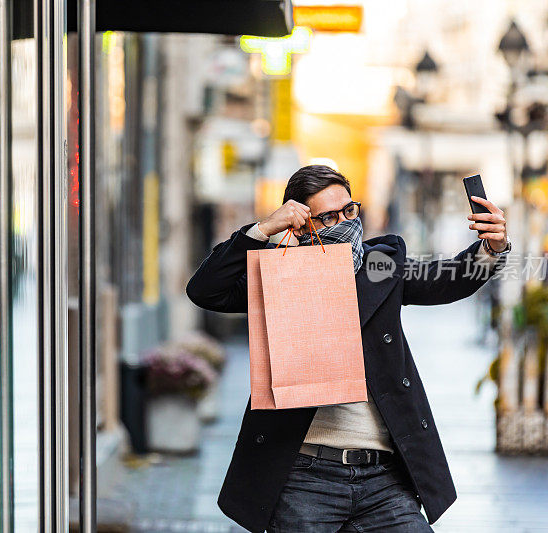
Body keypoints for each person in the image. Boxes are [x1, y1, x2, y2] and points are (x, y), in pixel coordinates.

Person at [185, 165, 510, 532]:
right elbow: (205, 289)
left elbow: (445, 279)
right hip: (303, 478)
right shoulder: (277, 274)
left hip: (384, 478)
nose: (344, 222)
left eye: (349, 210)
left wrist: (491, 247)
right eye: (329, 216)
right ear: (299, 221)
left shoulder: (378, 264)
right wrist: (262, 230)